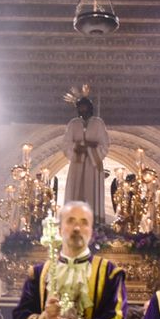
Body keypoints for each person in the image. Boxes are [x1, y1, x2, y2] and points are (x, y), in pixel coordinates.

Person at [62, 88, 109, 220]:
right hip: (77, 164)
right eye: (80, 107)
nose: (82, 110)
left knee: (92, 193)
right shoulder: (73, 124)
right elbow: (66, 144)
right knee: (75, 190)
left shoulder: (98, 123)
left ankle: (94, 221)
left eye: (84, 107)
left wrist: (86, 148)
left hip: (93, 165)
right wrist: (80, 148)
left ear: (89, 107)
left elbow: (104, 145)